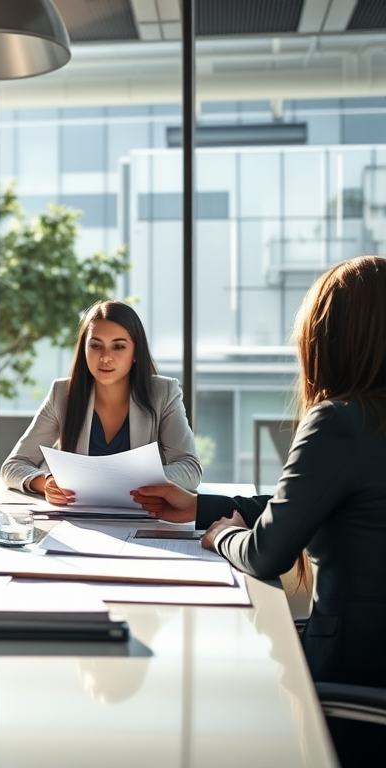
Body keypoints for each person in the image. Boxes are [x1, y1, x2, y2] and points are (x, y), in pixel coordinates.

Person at [131, 255, 386, 693]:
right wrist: (199, 507)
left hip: (349, 683)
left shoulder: (340, 421)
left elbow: (268, 554)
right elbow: (323, 503)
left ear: (329, 338)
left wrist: (221, 536)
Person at [1, 300, 202, 504]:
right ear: (84, 350)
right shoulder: (62, 394)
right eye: (96, 346)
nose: (106, 357)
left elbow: (190, 468)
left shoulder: (163, 393)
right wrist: (45, 483)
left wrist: (127, 483)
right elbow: (14, 465)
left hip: (142, 516)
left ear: (136, 353)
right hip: (78, 521)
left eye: (118, 347)